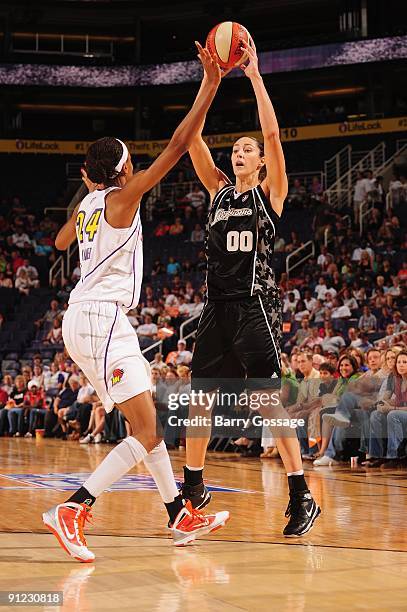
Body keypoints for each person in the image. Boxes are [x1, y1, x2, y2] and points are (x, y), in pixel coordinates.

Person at [42, 43, 229, 563]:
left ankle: (177, 514)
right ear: (123, 173)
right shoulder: (122, 198)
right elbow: (177, 145)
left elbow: (60, 243)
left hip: (91, 318)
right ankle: (75, 508)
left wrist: (86, 198)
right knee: (148, 430)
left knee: (145, 425)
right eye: (133, 166)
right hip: (101, 320)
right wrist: (210, 83)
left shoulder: (90, 205)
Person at [179, 39, 320, 537]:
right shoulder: (217, 192)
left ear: (260, 163)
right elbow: (190, 139)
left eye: (246, 151)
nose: (238, 153)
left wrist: (254, 75)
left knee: (266, 401)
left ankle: (301, 493)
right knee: (199, 399)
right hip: (216, 307)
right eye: (234, 149)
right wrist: (209, 83)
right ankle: (193, 487)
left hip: (255, 306)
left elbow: (274, 133)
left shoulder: (270, 194)